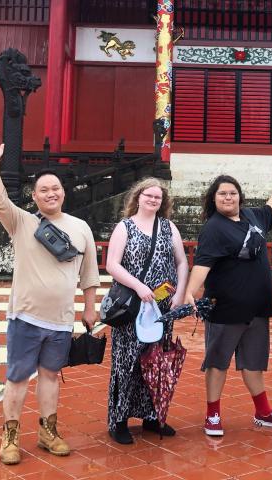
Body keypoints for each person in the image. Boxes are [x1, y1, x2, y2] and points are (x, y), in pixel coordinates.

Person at [0, 134, 100, 465]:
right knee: (17, 377)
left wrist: (90, 308)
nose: (51, 193)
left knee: (50, 376)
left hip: (61, 320)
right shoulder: (22, 222)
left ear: (64, 193)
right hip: (26, 317)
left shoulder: (80, 228)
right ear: (34, 196)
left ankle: (48, 432)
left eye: (56, 188)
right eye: (44, 190)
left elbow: (89, 273)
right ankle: (10, 436)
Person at [183, 166, 272, 437]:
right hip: (225, 307)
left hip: (257, 308)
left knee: (253, 363)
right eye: (222, 194)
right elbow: (202, 265)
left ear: (240, 196)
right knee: (217, 362)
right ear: (213, 198)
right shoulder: (213, 228)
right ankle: (212, 414)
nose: (228, 197)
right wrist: (190, 292)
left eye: (232, 193)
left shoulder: (252, 216)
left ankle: (264, 412)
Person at [105, 177, 189, 444]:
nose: (153, 200)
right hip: (133, 305)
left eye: (158, 197)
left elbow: (181, 262)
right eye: (148, 195)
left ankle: (153, 416)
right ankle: (118, 419)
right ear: (138, 197)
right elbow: (112, 265)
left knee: (156, 361)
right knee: (126, 363)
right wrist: (139, 286)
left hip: (161, 307)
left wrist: (180, 293)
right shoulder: (125, 227)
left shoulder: (168, 227)